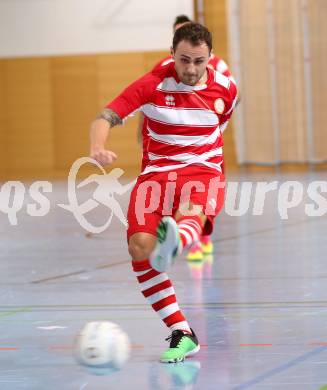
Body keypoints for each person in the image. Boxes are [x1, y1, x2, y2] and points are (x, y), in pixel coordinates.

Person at [89, 22, 238, 363]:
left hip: (202, 173)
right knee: (139, 248)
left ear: (209, 58)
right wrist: (98, 146)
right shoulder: (152, 83)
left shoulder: (225, 89)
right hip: (156, 177)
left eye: (199, 61)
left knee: (191, 215)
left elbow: (221, 122)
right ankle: (182, 332)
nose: (190, 68)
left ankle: (177, 242)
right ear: (172, 54)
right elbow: (105, 116)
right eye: (184, 59)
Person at [138, 15, 236, 262]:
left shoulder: (217, 67)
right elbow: (147, 100)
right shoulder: (163, 69)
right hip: (174, 150)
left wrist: (214, 128)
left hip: (205, 148)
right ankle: (185, 240)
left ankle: (201, 239)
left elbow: (232, 97)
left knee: (203, 195)